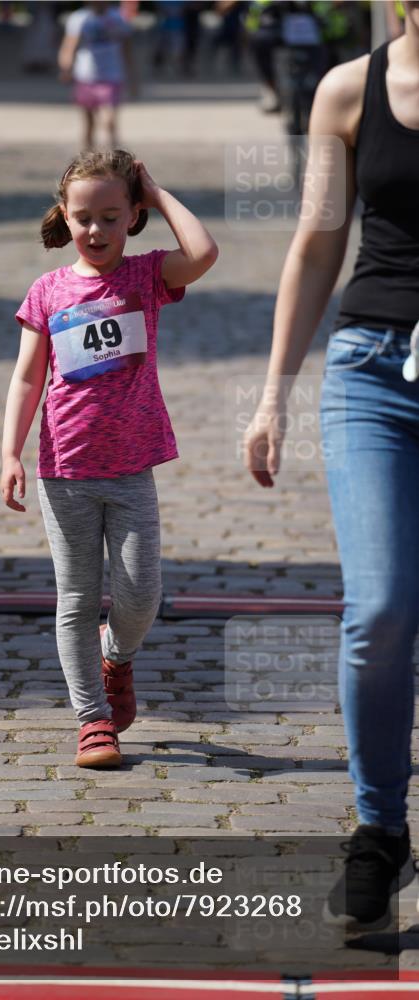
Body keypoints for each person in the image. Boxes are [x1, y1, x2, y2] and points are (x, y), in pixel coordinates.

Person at [243, 3, 419, 930]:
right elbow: (317, 243)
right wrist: (273, 393)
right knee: (381, 608)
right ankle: (378, 829)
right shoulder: (347, 89)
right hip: (371, 373)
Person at [0, 149, 218, 769]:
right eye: (83, 218)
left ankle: (116, 658)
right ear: (64, 218)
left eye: (111, 217)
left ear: (133, 219)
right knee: (75, 597)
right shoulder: (47, 291)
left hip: (131, 468)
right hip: (64, 470)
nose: (95, 231)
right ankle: (93, 721)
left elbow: (203, 254)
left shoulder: (148, 277)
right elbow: (25, 379)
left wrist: (156, 189)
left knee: (140, 593)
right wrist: (10, 453)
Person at [58, 1, 136, 150]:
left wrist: (132, 77)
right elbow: (69, 46)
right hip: (86, 75)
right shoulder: (79, 18)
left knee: (110, 120)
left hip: (111, 75)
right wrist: (66, 68)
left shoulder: (118, 18)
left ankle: (115, 159)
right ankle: (86, 160)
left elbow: (127, 49)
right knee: (89, 124)